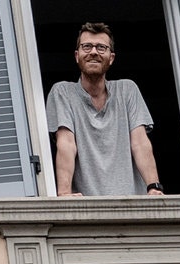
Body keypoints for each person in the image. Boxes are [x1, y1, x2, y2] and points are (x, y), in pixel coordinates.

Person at [47, 22, 164, 197]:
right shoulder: (63, 92)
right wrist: (64, 194)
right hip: (88, 210)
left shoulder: (127, 90)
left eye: (101, 47)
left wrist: (154, 188)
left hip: (134, 204)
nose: (93, 52)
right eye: (87, 46)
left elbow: (139, 142)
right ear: (77, 55)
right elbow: (66, 143)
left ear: (111, 58)